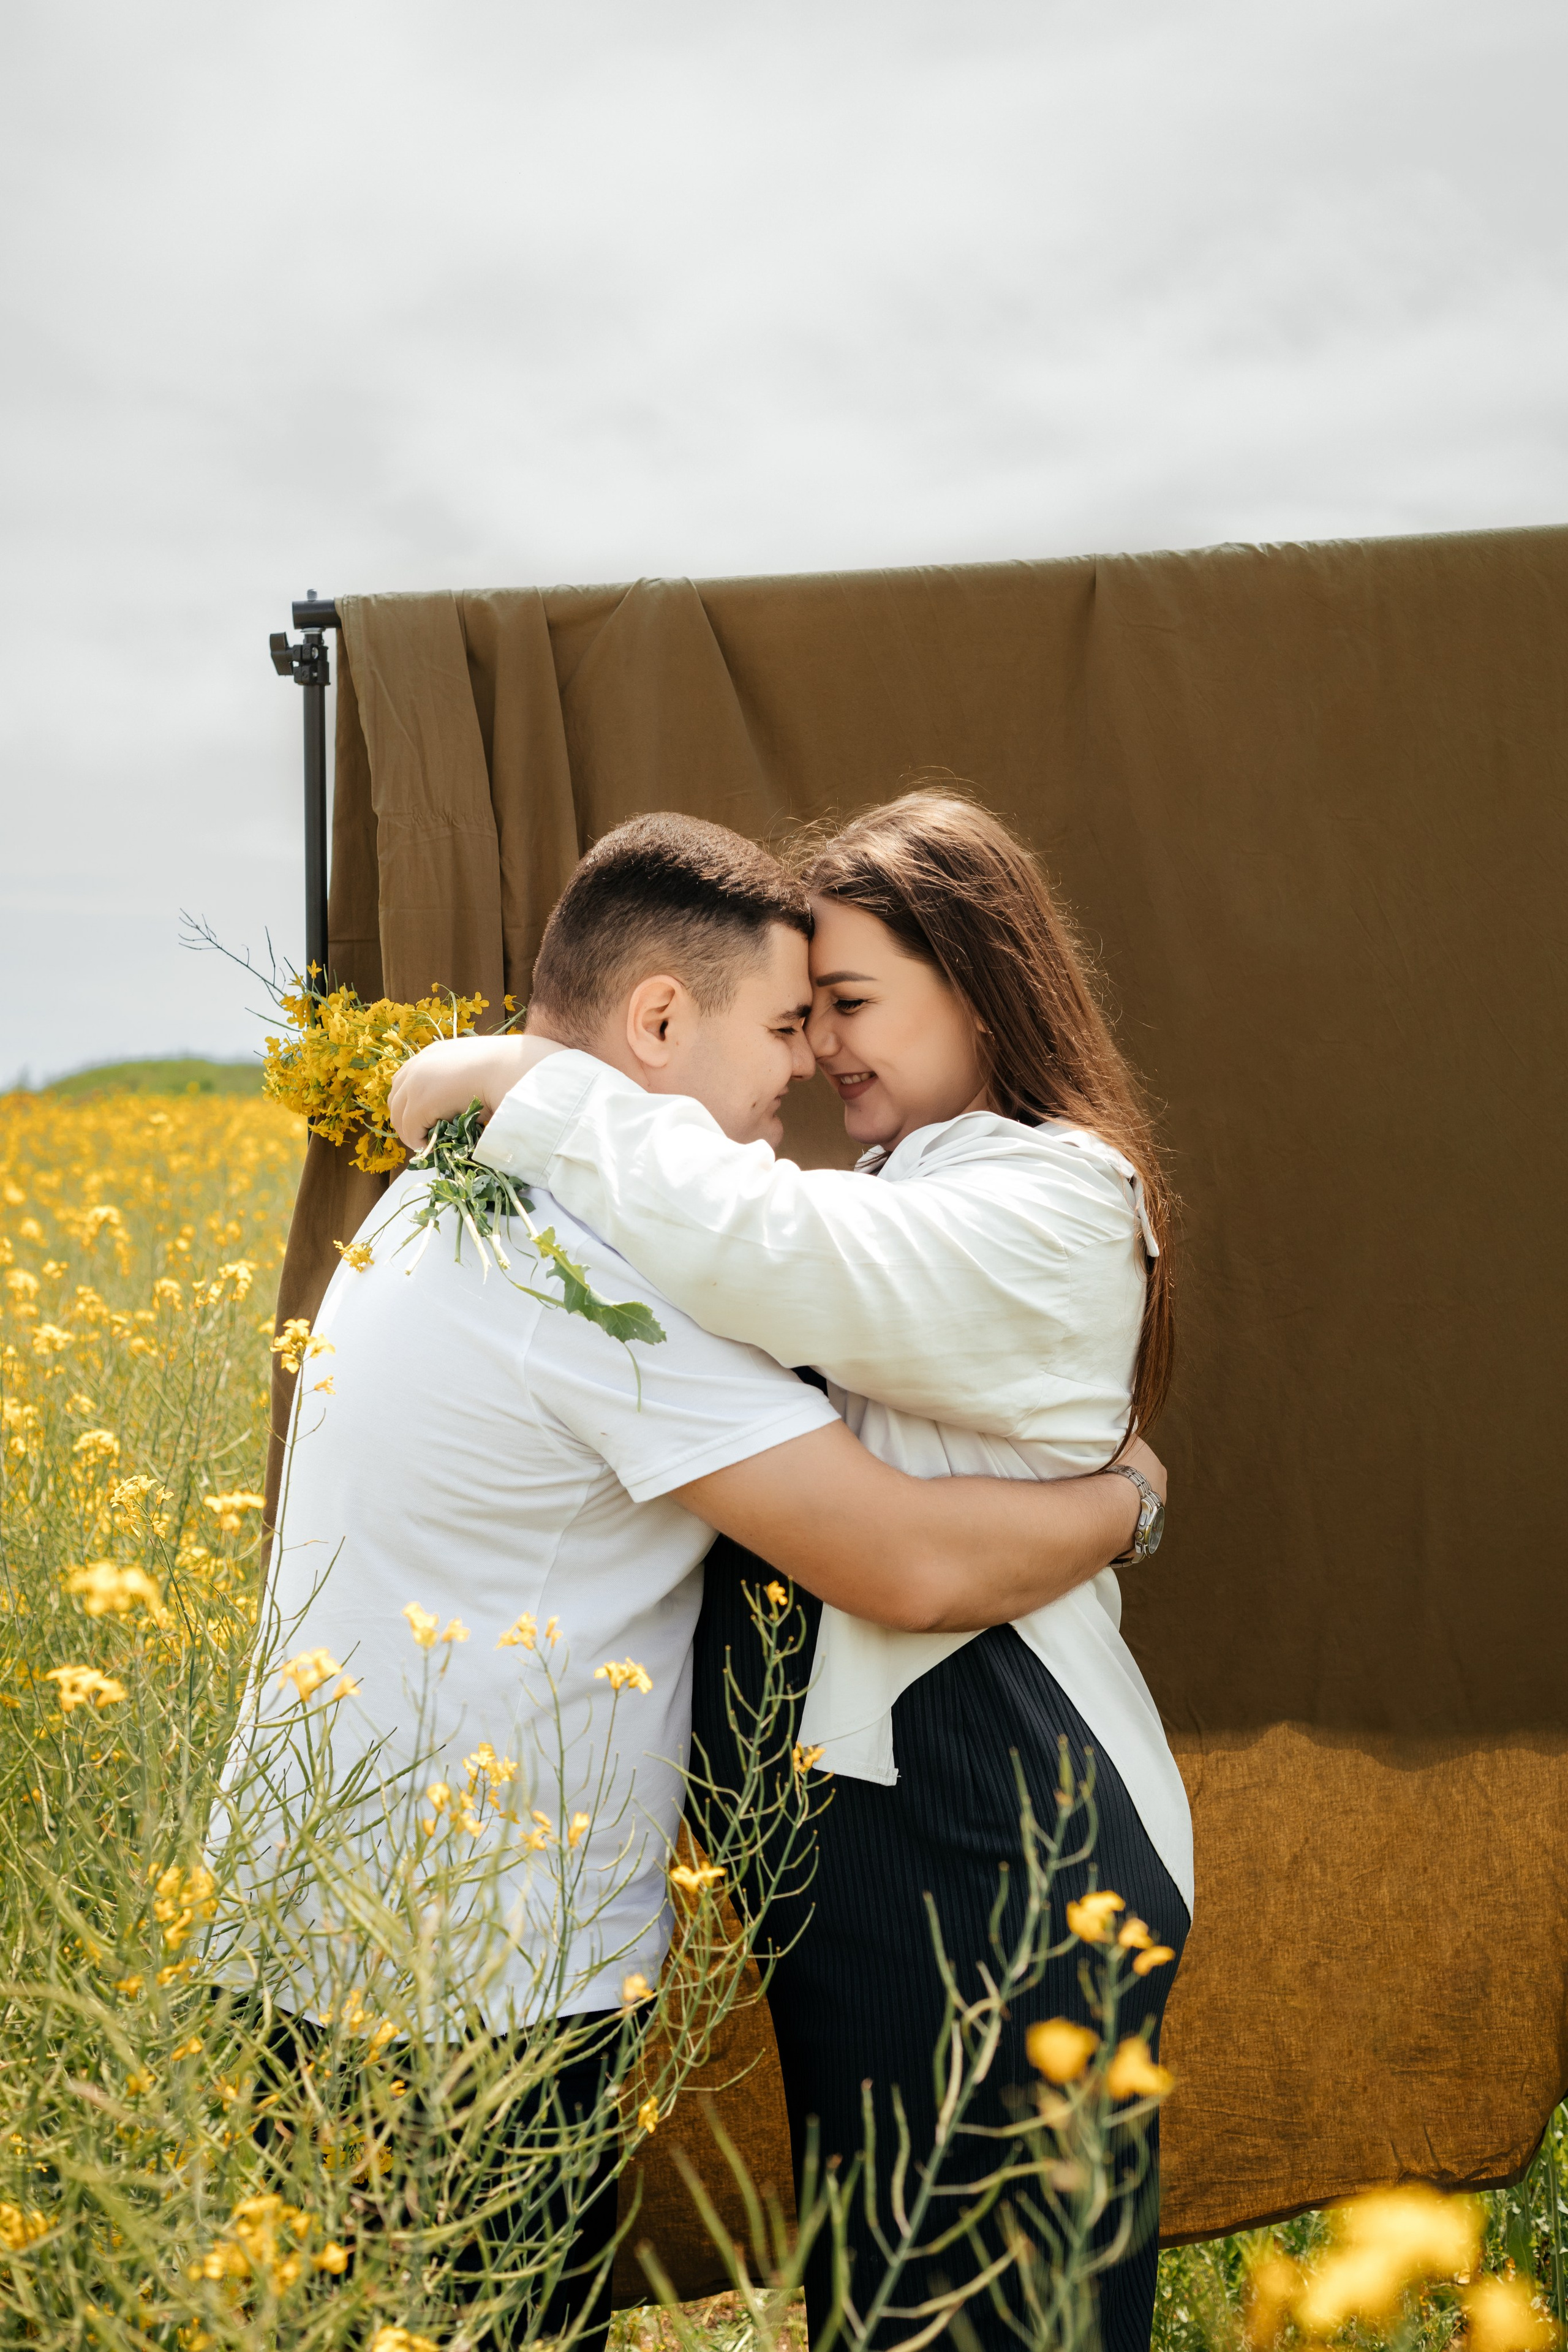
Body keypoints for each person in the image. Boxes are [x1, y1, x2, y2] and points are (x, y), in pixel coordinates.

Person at [228, 812, 1161, 2352]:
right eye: (793, 1022)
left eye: (837, 1014)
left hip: (334, 1923)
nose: (799, 1069)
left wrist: (492, 1077)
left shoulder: (441, 1195)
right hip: (456, 1972)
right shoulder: (589, 1267)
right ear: (660, 1020)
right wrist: (1126, 1498)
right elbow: (905, 1556)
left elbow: (783, 1246)